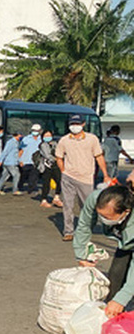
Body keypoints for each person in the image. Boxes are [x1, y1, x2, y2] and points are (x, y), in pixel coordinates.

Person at [74, 185, 134, 317]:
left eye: (107, 217)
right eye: (100, 215)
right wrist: (81, 255)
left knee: (127, 290)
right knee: (115, 278)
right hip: (125, 243)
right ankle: (112, 320)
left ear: (126, 212)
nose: (103, 220)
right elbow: (84, 225)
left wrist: (121, 299)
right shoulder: (96, 198)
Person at [57, 114, 108, 241]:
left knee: (87, 206)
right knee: (67, 205)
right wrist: (63, 171)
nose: (75, 127)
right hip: (68, 177)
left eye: (77, 124)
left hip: (86, 178)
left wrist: (105, 174)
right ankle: (68, 231)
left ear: (83, 124)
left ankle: (85, 230)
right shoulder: (64, 140)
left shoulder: (92, 139)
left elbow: (99, 157)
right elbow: (59, 157)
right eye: (72, 124)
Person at [36, 129, 64, 208]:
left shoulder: (55, 143)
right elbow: (47, 155)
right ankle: (43, 200)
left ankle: (56, 198)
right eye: (46, 136)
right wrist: (57, 158)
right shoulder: (42, 145)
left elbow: (60, 151)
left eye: (49, 135)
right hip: (46, 166)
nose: (48, 137)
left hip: (56, 166)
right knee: (46, 183)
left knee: (60, 181)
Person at [0, 130, 22, 195]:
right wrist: (0, 160)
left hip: (10, 162)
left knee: (4, 176)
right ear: (16, 135)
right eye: (20, 136)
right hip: (10, 162)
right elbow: (5, 152)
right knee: (17, 175)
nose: (21, 137)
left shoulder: (17, 142)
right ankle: (15, 190)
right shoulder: (11, 142)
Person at [19, 124, 42, 195]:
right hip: (26, 160)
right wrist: (20, 160)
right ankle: (19, 186)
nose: (35, 132)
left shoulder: (41, 139)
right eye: (34, 131)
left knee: (34, 176)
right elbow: (21, 150)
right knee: (23, 176)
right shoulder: (26, 139)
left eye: (37, 131)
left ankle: (31, 189)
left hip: (35, 162)